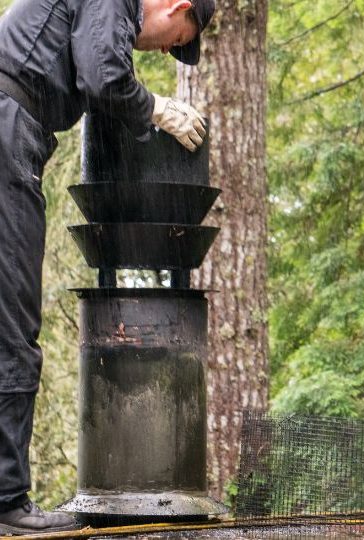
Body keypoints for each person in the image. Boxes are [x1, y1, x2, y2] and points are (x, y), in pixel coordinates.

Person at [0, 0, 214, 534]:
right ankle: (6, 503)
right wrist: (158, 109)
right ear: (176, 6)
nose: (166, 49)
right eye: (175, 37)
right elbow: (104, 76)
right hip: (6, 128)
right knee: (11, 325)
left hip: (14, 128)